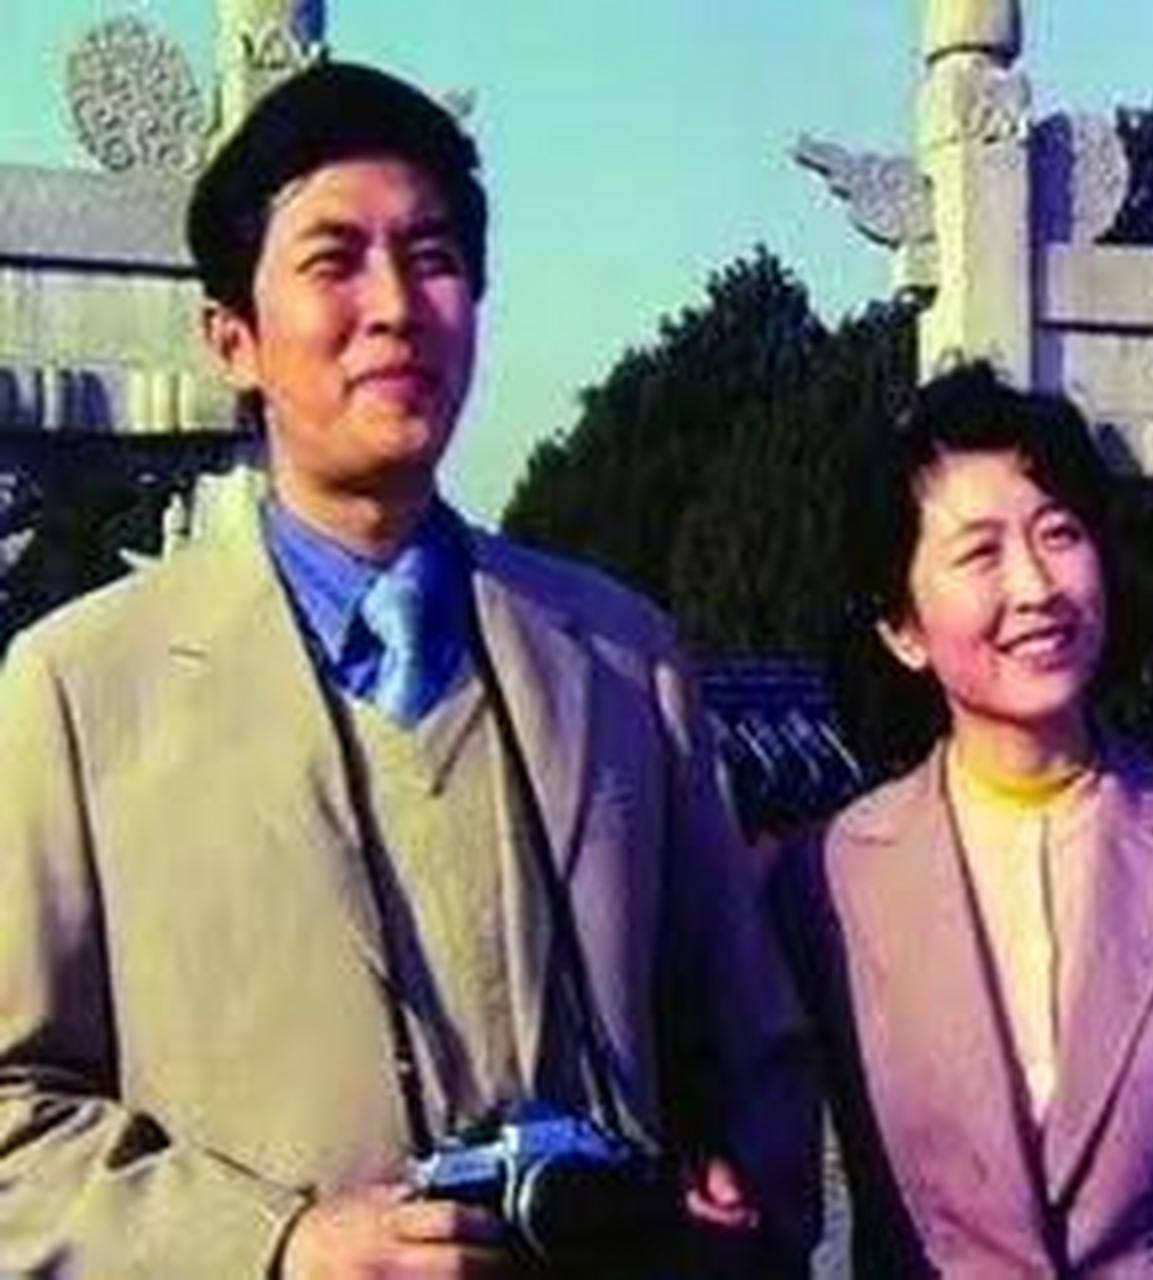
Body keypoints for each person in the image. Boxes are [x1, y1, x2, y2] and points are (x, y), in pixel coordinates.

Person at [0, 61, 816, 1278]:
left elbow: (752, 1054)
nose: (393, 304)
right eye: (333, 260)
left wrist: (730, 1186)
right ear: (232, 338)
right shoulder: (78, 690)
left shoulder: (624, 658)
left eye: (432, 258)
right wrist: (276, 1244)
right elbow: (16, 1123)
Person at [773, 362, 1153, 1277]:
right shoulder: (832, 879)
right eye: (980, 553)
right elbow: (751, 1169)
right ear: (903, 629)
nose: (1036, 585)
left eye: (1059, 533)